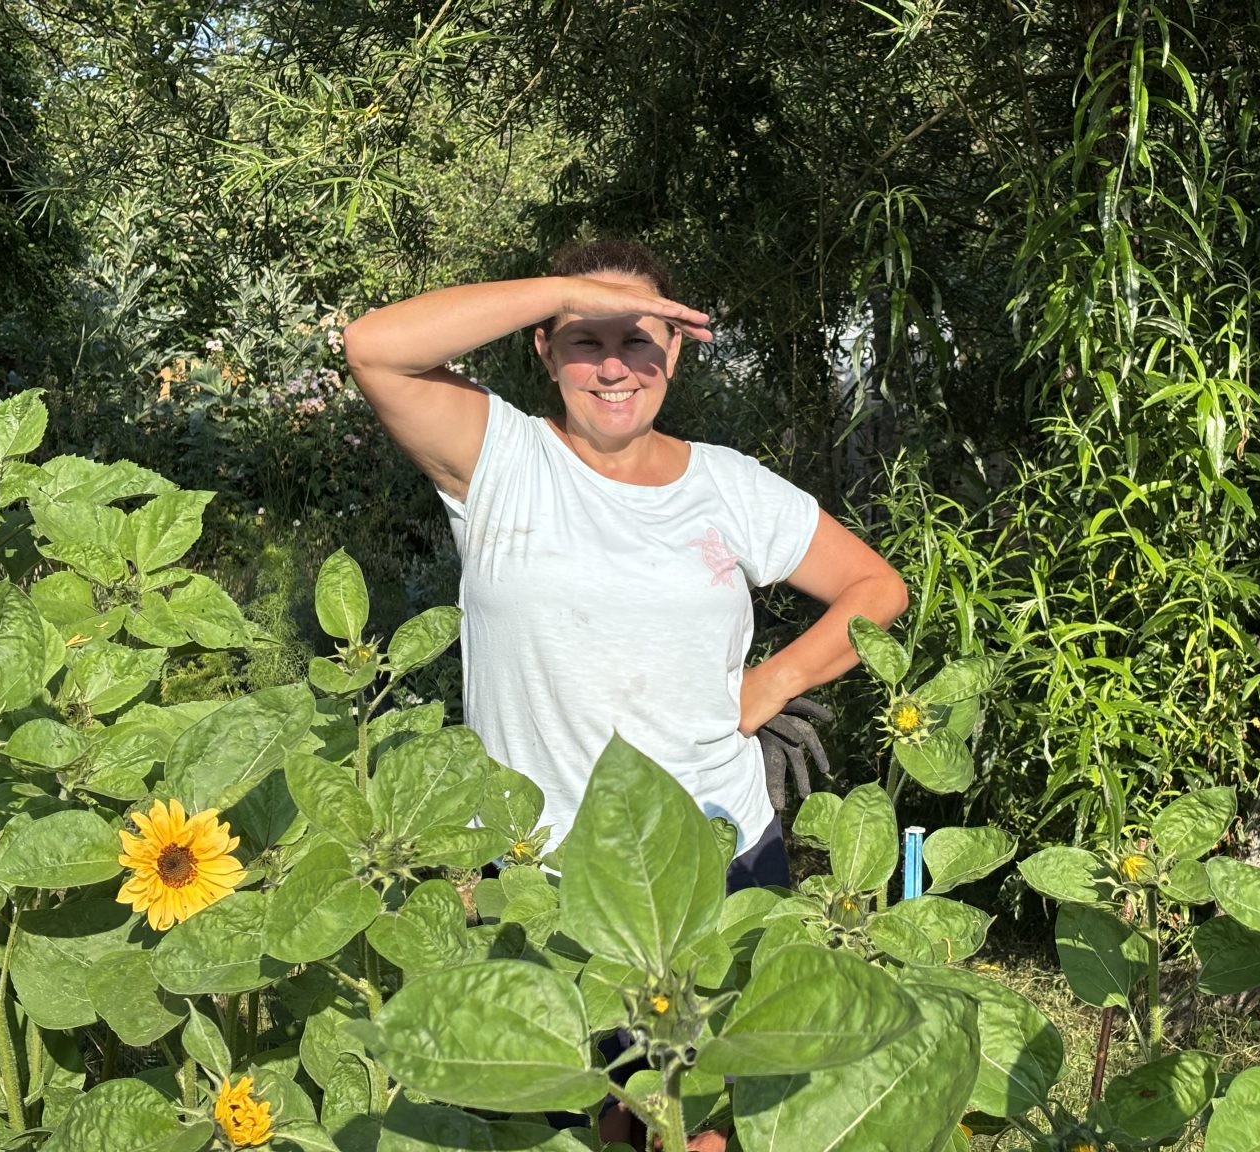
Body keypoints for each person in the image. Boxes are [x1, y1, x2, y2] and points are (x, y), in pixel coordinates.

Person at [343, 239, 907, 1149]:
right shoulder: (500, 457)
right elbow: (374, 346)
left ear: (675, 350)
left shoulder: (729, 485)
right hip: (543, 875)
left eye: (638, 339)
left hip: (714, 857)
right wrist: (569, 289)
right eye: (585, 339)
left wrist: (772, 682)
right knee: (580, 1124)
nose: (614, 367)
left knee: (709, 1129)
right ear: (544, 348)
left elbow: (876, 589)